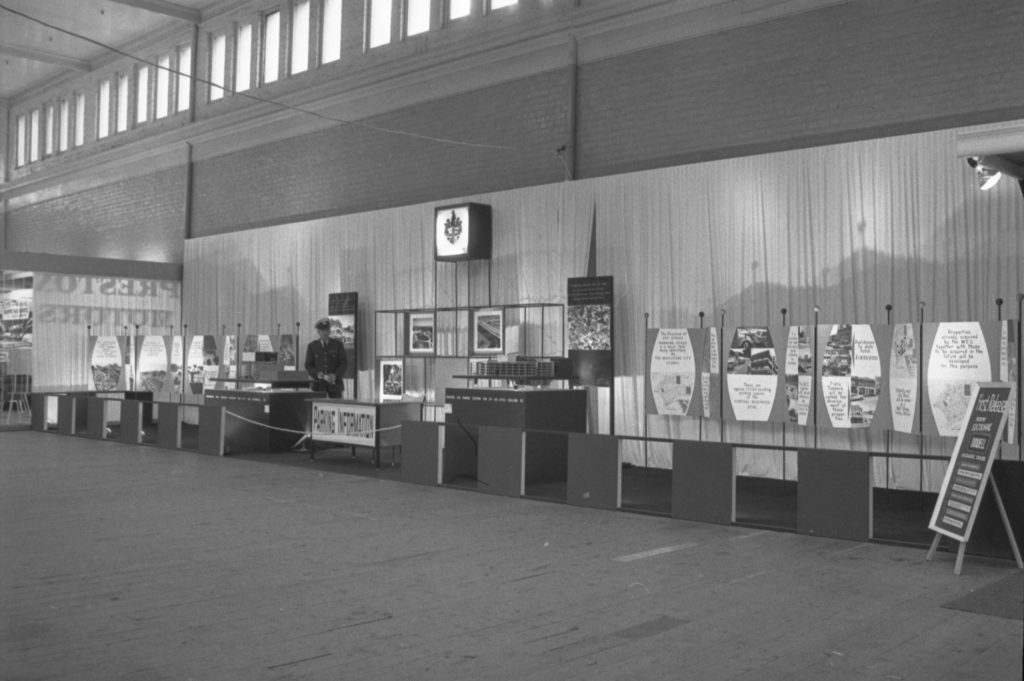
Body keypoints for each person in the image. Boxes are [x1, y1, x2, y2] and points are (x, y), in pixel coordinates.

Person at [305, 318, 348, 398]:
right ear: (318, 332)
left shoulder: (338, 345)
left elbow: (344, 364)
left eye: (327, 330)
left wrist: (335, 375)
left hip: (335, 385)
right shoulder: (312, 346)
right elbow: (308, 365)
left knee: (337, 408)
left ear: (330, 331)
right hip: (319, 386)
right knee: (318, 408)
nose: (325, 332)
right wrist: (317, 374)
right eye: (322, 330)